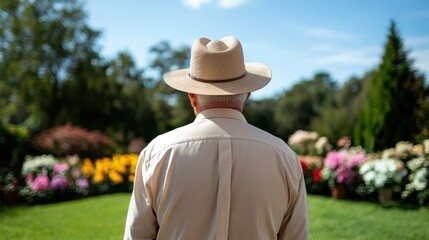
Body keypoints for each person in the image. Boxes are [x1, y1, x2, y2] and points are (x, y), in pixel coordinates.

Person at [123, 36, 308, 240]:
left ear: (192, 96)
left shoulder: (156, 153)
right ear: (247, 94)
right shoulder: (285, 157)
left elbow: (137, 236)